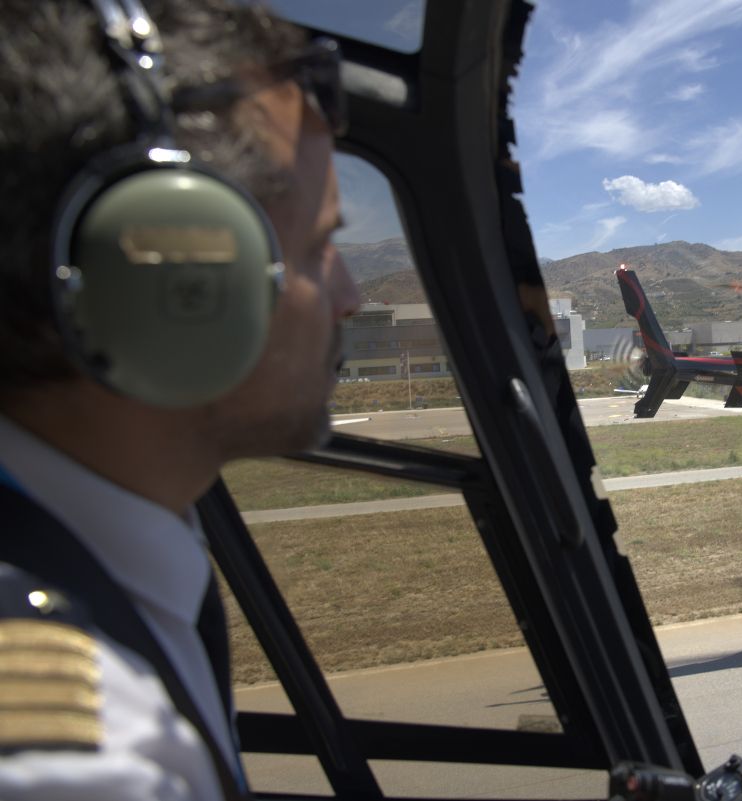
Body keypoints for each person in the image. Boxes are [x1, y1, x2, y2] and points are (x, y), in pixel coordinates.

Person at [0, 0, 359, 797]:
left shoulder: (94, 550)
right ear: (175, 282)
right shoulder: (88, 765)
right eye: (321, 247)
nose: (351, 295)